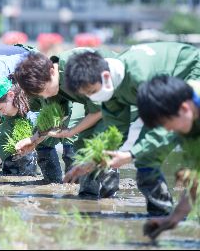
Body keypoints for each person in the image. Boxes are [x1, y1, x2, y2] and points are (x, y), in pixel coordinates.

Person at [62, 42, 200, 216]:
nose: (92, 98)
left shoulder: (140, 78)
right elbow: (115, 131)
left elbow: (163, 126)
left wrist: (131, 154)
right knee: (144, 156)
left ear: (105, 76)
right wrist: (94, 159)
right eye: (87, 95)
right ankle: (161, 214)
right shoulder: (111, 88)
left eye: (92, 91)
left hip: (190, 70)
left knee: (152, 149)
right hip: (164, 89)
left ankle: (167, 214)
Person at [13, 50, 120, 197]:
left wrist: (72, 131)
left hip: (118, 95)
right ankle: (87, 198)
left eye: (44, 90)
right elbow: (55, 116)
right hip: (96, 104)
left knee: (99, 140)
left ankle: (109, 192)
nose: (45, 95)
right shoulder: (50, 84)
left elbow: (99, 111)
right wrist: (33, 140)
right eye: (40, 94)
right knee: (83, 145)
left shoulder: (75, 68)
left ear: (52, 71)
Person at [136, 75, 200, 239]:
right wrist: (174, 218)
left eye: (168, 125)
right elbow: (196, 183)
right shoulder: (188, 125)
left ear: (184, 109)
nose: (169, 131)